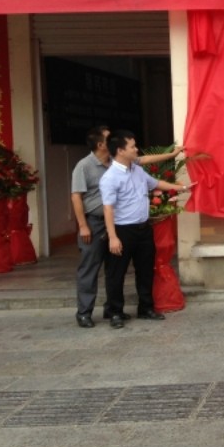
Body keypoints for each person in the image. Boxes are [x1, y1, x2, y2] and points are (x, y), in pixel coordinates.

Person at [71, 125, 182, 328]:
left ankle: (123, 309)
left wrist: (173, 159)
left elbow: (149, 168)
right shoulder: (88, 167)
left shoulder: (129, 165)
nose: (136, 149)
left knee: (130, 268)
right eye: (109, 138)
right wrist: (85, 226)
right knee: (97, 267)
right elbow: (80, 198)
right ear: (103, 145)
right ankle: (89, 312)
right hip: (101, 224)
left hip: (130, 223)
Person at [99, 130, 193, 330]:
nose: (136, 149)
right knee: (116, 273)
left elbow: (156, 183)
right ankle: (115, 312)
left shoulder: (137, 169)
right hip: (122, 231)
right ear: (120, 151)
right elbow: (108, 208)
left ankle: (146, 308)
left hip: (143, 229)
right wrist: (113, 237)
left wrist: (182, 188)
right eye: (132, 146)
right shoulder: (110, 177)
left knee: (145, 270)